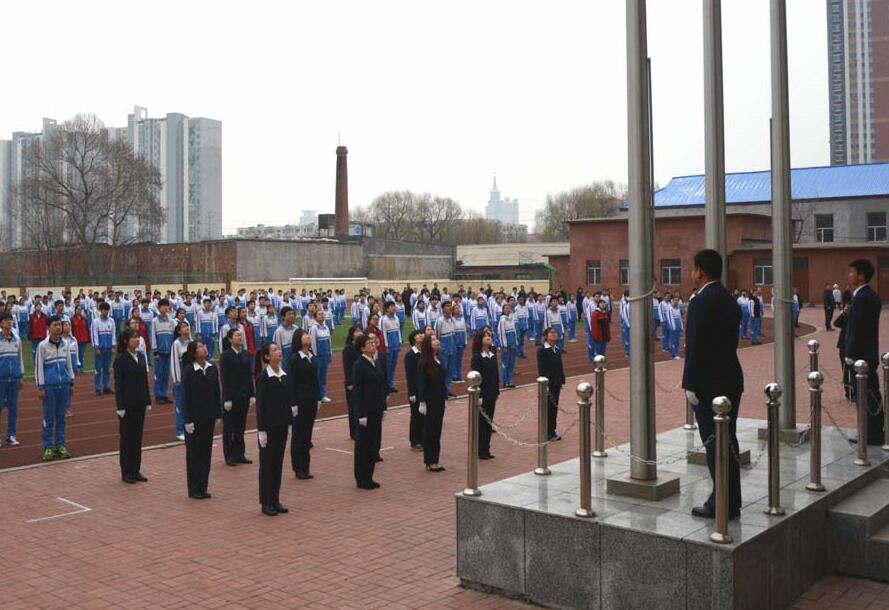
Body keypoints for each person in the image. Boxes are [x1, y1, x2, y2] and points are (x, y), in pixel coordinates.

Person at [682, 249, 743, 520]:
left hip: (709, 383)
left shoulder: (700, 301)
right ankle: (731, 499)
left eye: (693, 269)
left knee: (714, 444)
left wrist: (690, 384)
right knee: (729, 441)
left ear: (700, 271)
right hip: (730, 377)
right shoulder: (729, 300)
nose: (691, 274)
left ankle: (721, 502)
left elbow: (696, 346)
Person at [843, 259, 884, 444]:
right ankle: (872, 431)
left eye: (852, 272)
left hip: (861, 358)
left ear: (861, 275)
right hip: (868, 354)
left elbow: (858, 330)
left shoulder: (862, 297)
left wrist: (850, 355)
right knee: (869, 394)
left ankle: (871, 434)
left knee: (865, 396)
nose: (849, 275)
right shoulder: (869, 296)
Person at [181, 340, 222, 499]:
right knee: (194, 453)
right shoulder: (189, 371)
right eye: (199, 347)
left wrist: (218, 413)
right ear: (193, 353)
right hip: (195, 418)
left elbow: (216, 391)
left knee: (206, 452)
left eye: (203, 346)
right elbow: (186, 396)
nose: (203, 348)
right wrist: (188, 419)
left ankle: (203, 486)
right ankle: (193, 488)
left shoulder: (212, 369)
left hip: (209, 416)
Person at [254, 342, 291, 516]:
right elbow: (260, 406)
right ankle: (266, 501)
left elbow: (287, 401)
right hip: (268, 427)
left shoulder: (284, 376)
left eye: (278, 349)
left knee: (277, 464)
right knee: (267, 465)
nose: (279, 352)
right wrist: (261, 430)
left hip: (281, 425)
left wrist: (289, 422)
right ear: (267, 357)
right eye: (275, 350)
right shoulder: (263, 378)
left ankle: (275, 499)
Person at [114, 328, 151, 484]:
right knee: (127, 439)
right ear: (125, 341)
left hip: (140, 402)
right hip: (127, 404)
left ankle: (136, 470)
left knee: (137, 438)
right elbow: (119, 384)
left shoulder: (141, 357)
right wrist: (120, 406)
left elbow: (144, 380)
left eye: (138, 337)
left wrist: (148, 400)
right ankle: (126, 471)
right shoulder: (121, 359)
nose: (137, 340)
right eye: (133, 338)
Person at [36, 315, 75, 461]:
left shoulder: (65, 343)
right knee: (49, 417)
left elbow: (69, 365)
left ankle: (60, 445)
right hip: (50, 387)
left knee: (62, 417)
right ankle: (47, 446)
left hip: (63, 385)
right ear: (48, 327)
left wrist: (71, 382)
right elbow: (39, 367)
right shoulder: (42, 346)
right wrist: (40, 387)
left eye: (60, 324)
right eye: (55, 325)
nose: (58, 327)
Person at [352, 334, 387, 489]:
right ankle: (362, 478)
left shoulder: (375, 362)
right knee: (363, 446)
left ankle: (369, 476)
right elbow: (358, 392)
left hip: (376, 409)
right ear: (362, 348)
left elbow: (381, 385)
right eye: (369, 343)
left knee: (372, 443)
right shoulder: (359, 365)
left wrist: (383, 407)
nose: (373, 345)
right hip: (365, 411)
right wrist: (361, 414)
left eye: (373, 342)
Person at [220, 328, 255, 466]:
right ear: (230, 339)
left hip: (244, 395)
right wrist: (227, 398)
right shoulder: (226, 356)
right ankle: (229, 455)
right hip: (231, 396)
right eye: (237, 335)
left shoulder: (245, 355)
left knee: (240, 426)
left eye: (241, 335)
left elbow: (249, 376)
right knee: (229, 427)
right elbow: (225, 378)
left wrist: (252, 394)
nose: (240, 337)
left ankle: (240, 453)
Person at [289, 329, 322, 479]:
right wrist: (293, 403)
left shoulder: (312, 357)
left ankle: (305, 467)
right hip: (300, 401)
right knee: (299, 435)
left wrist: (318, 397)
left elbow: (316, 379)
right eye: (305, 335)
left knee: (307, 434)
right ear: (298, 339)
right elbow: (292, 382)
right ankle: (298, 467)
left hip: (311, 400)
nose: (308, 337)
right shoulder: (295, 358)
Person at [416, 333, 447, 472]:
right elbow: (421, 384)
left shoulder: (439, 359)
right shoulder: (424, 362)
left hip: (439, 399)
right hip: (429, 400)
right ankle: (429, 460)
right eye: (434, 340)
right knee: (430, 430)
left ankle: (435, 459)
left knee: (437, 430)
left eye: (437, 339)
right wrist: (422, 402)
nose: (437, 341)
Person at [470, 326, 499, 459]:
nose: (489, 337)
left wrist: (497, 390)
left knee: (489, 422)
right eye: (485, 336)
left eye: (489, 335)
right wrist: (479, 395)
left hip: (492, 393)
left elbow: (496, 374)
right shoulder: (477, 357)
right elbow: (476, 377)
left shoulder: (492, 355)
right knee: (481, 423)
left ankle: (486, 448)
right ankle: (480, 450)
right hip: (483, 393)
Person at [537, 327, 565, 441]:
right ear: (546, 336)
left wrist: (562, 380)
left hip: (556, 383)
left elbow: (560, 366)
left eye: (555, 332)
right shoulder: (542, 350)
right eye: (551, 333)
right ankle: (547, 431)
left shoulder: (557, 349)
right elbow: (542, 368)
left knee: (554, 408)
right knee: (548, 408)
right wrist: (546, 384)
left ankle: (552, 430)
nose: (554, 334)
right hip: (548, 383)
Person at [0, 312, 24, 447]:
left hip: (14, 378)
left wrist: (21, 375)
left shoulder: (16, 339)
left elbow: (19, 358)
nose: (10, 322)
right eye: (6, 320)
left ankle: (11, 435)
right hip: (0, 379)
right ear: (1, 323)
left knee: (13, 408)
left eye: (10, 320)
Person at [404, 329, 425, 451]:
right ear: (413, 339)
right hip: (416, 390)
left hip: (424, 388)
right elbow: (410, 375)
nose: (421, 336)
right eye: (418, 334)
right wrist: (412, 392)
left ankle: (422, 438)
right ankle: (415, 440)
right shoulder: (411, 355)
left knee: (423, 416)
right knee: (416, 415)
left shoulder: (424, 353)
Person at [170, 321, 191, 440]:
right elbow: (174, 362)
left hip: (192, 379)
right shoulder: (176, 344)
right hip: (181, 380)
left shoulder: (192, 343)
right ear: (179, 331)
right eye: (183, 327)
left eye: (187, 326)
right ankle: (179, 430)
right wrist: (177, 380)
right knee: (180, 406)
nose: (186, 328)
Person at [343, 326, 362, 440]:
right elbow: (347, 366)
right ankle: (353, 432)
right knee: (353, 407)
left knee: (360, 406)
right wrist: (349, 382)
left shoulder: (361, 347)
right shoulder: (348, 348)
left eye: (360, 331)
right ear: (352, 334)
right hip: (352, 382)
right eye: (356, 331)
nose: (359, 333)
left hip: (361, 381)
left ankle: (360, 428)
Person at [91, 302, 115, 396]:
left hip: (108, 348)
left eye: (107, 310)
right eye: (104, 310)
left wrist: (113, 346)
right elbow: (94, 335)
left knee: (107, 369)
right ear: (100, 310)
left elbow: (113, 334)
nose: (106, 312)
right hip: (99, 349)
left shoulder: (111, 321)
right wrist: (96, 347)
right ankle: (97, 387)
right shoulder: (96, 321)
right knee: (98, 369)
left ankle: (106, 387)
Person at [309, 309, 333, 403]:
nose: (322, 316)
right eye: (319, 314)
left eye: (322, 314)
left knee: (323, 376)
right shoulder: (314, 328)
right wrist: (314, 356)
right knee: (317, 376)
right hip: (318, 356)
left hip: (325, 355)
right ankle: (317, 395)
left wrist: (330, 353)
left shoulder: (326, 327)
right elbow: (313, 343)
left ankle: (322, 395)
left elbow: (329, 341)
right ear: (315, 317)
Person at [381, 302, 402, 392]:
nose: (394, 308)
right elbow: (383, 333)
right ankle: (386, 384)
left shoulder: (396, 318)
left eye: (394, 306)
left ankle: (391, 383)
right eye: (391, 306)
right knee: (388, 366)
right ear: (387, 309)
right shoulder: (383, 319)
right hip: (389, 346)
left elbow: (398, 331)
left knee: (393, 366)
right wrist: (386, 346)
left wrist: (400, 341)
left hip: (396, 345)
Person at [498, 303, 517, 389]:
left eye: (508, 308)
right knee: (505, 364)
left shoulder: (511, 319)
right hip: (506, 346)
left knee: (511, 364)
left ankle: (510, 381)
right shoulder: (502, 320)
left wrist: (515, 341)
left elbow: (514, 331)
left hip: (513, 344)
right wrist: (504, 345)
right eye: (505, 308)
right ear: (503, 310)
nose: (507, 310)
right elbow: (501, 333)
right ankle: (505, 381)